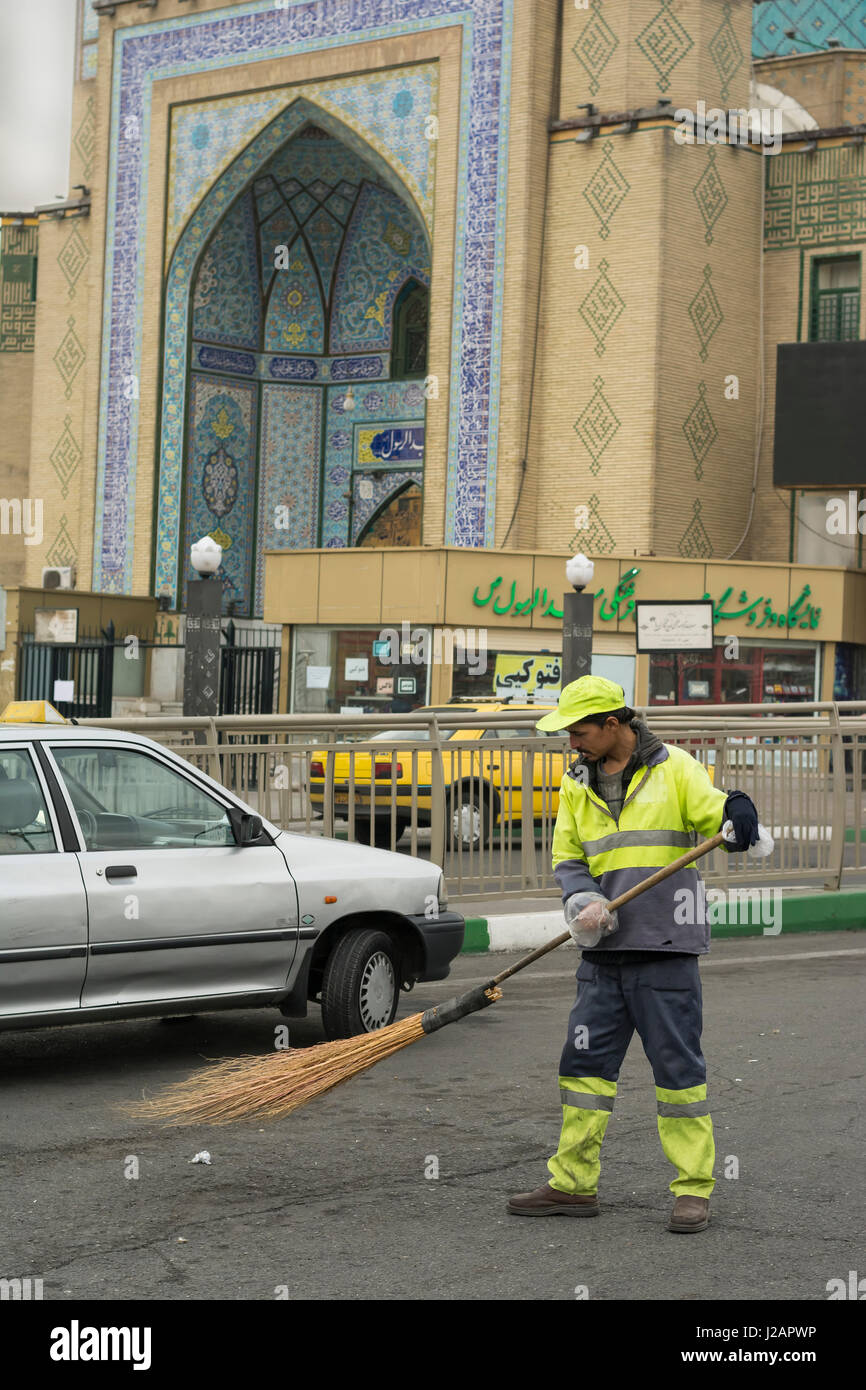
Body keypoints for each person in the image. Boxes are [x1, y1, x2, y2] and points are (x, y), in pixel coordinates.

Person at [507, 676, 759, 1233]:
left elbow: (719, 816)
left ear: (614, 725)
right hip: (602, 951)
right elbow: (569, 855)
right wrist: (583, 900)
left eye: (580, 732)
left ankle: (693, 1190)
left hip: (665, 948)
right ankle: (572, 1185)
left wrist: (738, 810)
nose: (572, 743)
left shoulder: (675, 768)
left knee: (677, 1072)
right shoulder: (577, 782)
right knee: (584, 1070)